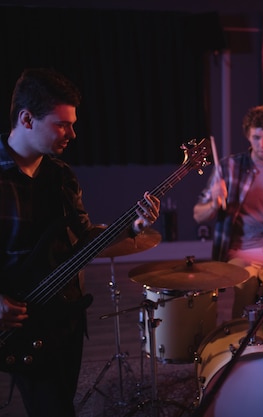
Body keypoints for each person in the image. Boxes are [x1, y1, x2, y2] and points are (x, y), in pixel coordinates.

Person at [0, 68, 160, 417]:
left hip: (65, 315)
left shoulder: (61, 176)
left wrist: (133, 225)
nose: (72, 133)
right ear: (27, 119)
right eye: (62, 124)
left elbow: (86, 237)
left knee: (61, 402)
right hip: (17, 319)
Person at [193, 105, 263, 322]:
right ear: (248, 136)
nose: (262, 144)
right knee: (246, 286)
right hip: (242, 251)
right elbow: (198, 215)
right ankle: (241, 344)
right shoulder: (229, 167)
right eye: (256, 137)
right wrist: (215, 203)